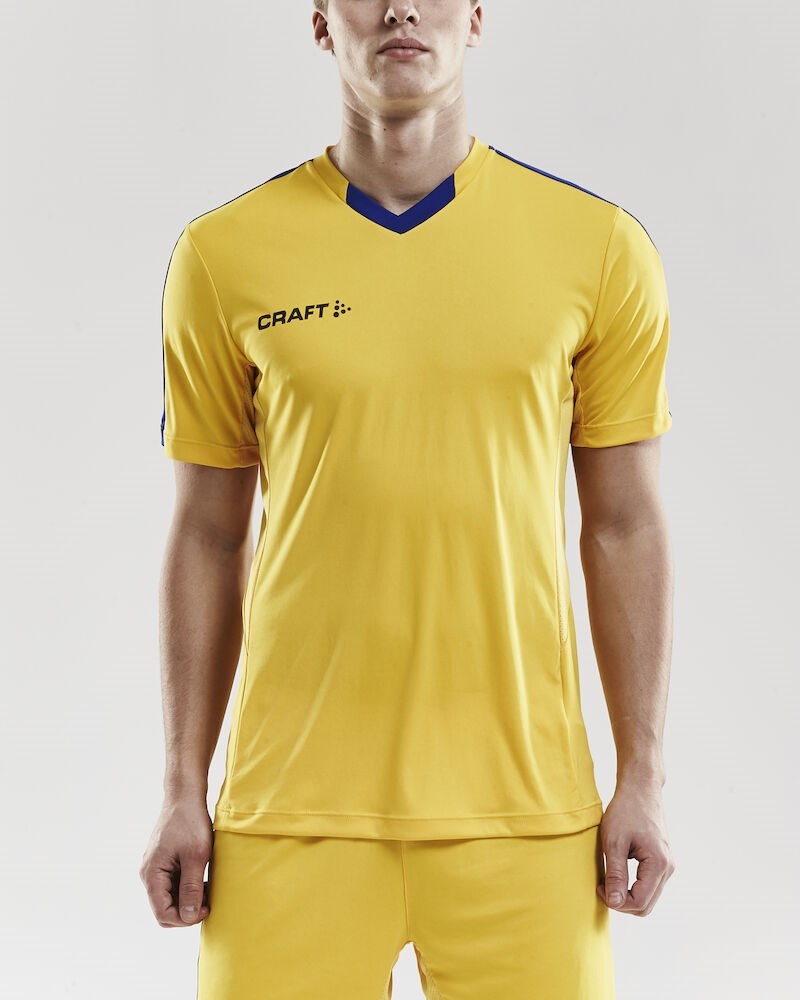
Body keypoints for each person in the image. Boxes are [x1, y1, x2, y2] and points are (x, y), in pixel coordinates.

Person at [139, 2, 676, 997]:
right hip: (289, 811)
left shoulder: (596, 248)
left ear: (475, 17)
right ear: (318, 23)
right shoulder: (222, 255)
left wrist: (641, 774)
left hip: (524, 813)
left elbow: (623, 524)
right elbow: (207, 535)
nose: (399, 8)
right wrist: (180, 786)